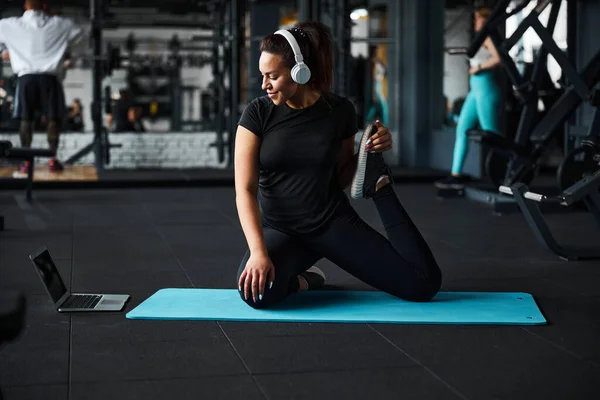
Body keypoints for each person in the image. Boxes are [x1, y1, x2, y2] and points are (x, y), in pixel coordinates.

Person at [235, 21, 442, 308]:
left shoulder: (340, 111)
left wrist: (371, 150)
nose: (264, 85)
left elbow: (343, 177)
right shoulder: (257, 113)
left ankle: (381, 187)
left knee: (423, 285)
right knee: (256, 293)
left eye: (272, 76)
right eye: (262, 75)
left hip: (331, 224)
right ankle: (306, 279)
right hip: (281, 230)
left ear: (300, 71)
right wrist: (258, 252)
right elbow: (244, 190)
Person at [0, 0, 81, 173]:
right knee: (53, 119)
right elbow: (80, 34)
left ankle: (26, 162)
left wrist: (6, 52)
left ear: (25, 6)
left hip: (26, 78)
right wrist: (64, 49)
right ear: (44, 6)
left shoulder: (9, 24)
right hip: (49, 78)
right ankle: (53, 160)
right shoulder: (60, 24)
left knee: (26, 119)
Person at [436, 6, 502, 189]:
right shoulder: (480, 39)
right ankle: (456, 174)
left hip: (486, 89)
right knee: (462, 129)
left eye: (478, 18)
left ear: (486, 20)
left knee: (492, 135)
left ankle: (507, 172)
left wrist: (478, 68)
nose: (474, 22)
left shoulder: (488, 37)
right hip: (475, 91)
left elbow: (499, 58)